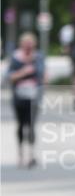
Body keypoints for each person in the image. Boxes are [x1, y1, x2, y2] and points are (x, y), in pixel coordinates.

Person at [8, 32, 45, 168]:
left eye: (30, 44)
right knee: (20, 125)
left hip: (34, 97)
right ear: (21, 45)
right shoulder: (15, 58)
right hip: (19, 97)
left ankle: (31, 155)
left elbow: (42, 74)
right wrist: (24, 72)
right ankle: (20, 155)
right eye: (26, 44)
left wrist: (32, 63)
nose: (28, 47)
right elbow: (10, 76)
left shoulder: (39, 57)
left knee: (31, 126)